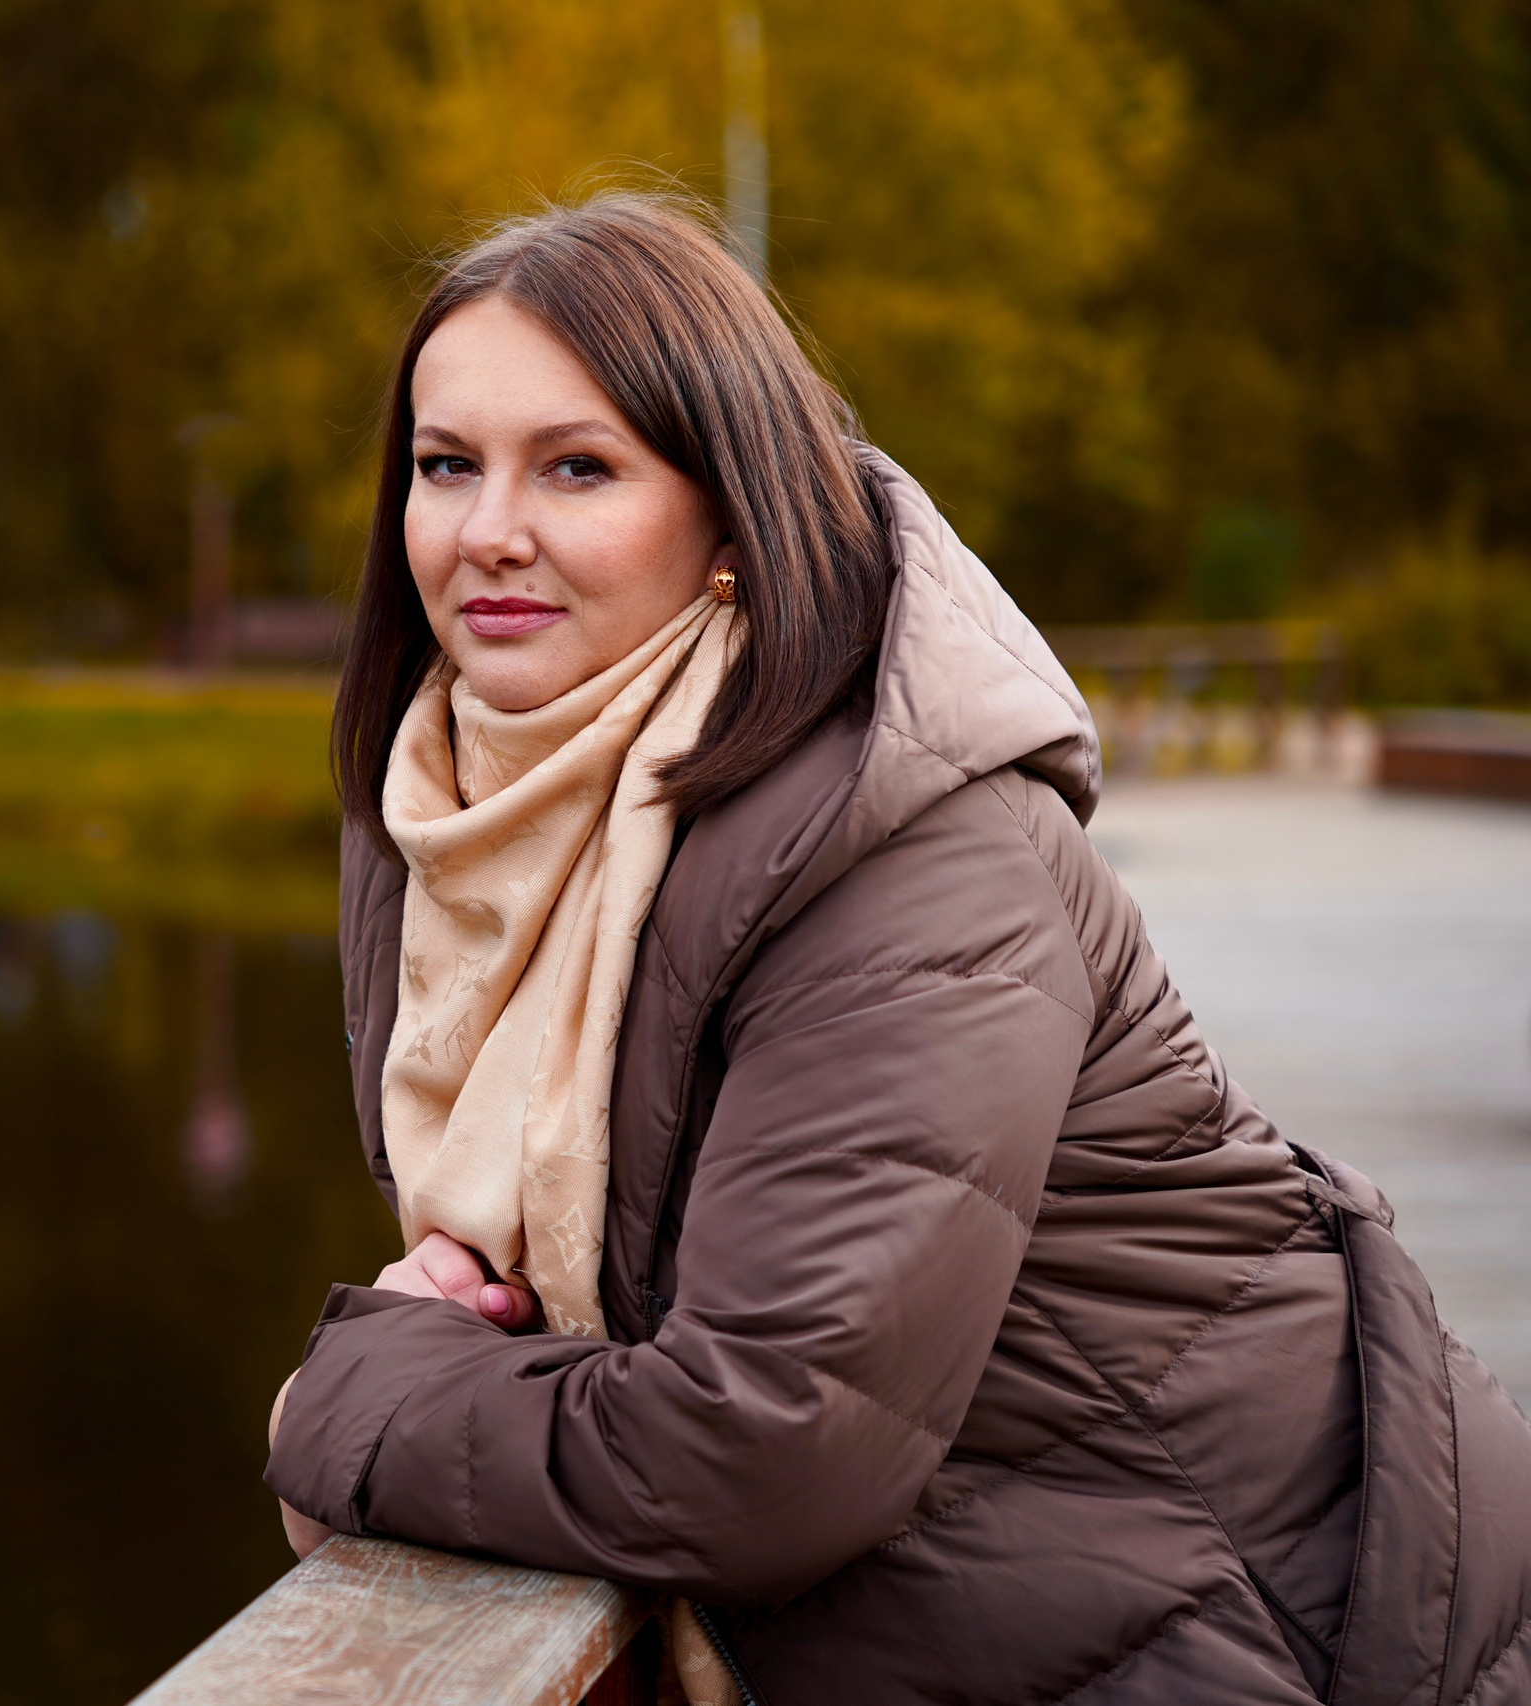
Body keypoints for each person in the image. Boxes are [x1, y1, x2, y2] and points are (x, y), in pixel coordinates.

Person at [263, 192, 1531, 1705]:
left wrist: (346, 1398)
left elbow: (763, 1452)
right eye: (445, 464)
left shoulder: (915, 852)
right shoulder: (458, 818)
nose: (488, 534)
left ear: (730, 509)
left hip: (1261, 1631)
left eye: (579, 466)